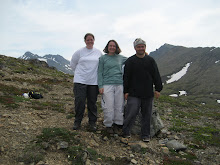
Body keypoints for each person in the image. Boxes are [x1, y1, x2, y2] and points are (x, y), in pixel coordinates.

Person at [122, 38, 163, 142]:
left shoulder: (150, 60)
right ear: (135, 48)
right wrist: (125, 91)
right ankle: (126, 131)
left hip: (148, 93)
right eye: (139, 46)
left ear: (145, 47)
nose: (141, 48)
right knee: (131, 112)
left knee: (147, 115)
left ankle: (145, 135)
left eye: (143, 46)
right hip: (133, 93)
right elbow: (126, 77)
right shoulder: (130, 61)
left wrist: (158, 89)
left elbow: (156, 75)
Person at [70, 33, 102, 131]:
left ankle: (92, 123)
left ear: (94, 40)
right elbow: (73, 64)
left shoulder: (98, 52)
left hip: (93, 82)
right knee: (80, 102)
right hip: (80, 81)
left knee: (92, 103)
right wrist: (81, 74)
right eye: (88, 40)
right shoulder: (79, 52)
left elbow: (101, 65)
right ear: (85, 41)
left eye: (91, 39)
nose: (90, 41)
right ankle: (77, 122)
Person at [98, 40, 127, 133]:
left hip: (119, 84)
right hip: (107, 84)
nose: (112, 47)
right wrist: (100, 85)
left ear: (116, 47)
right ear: (107, 47)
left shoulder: (121, 58)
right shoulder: (103, 58)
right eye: (110, 46)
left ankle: (118, 123)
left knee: (119, 105)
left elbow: (132, 60)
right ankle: (108, 124)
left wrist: (144, 54)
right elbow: (100, 72)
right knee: (108, 106)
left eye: (114, 46)